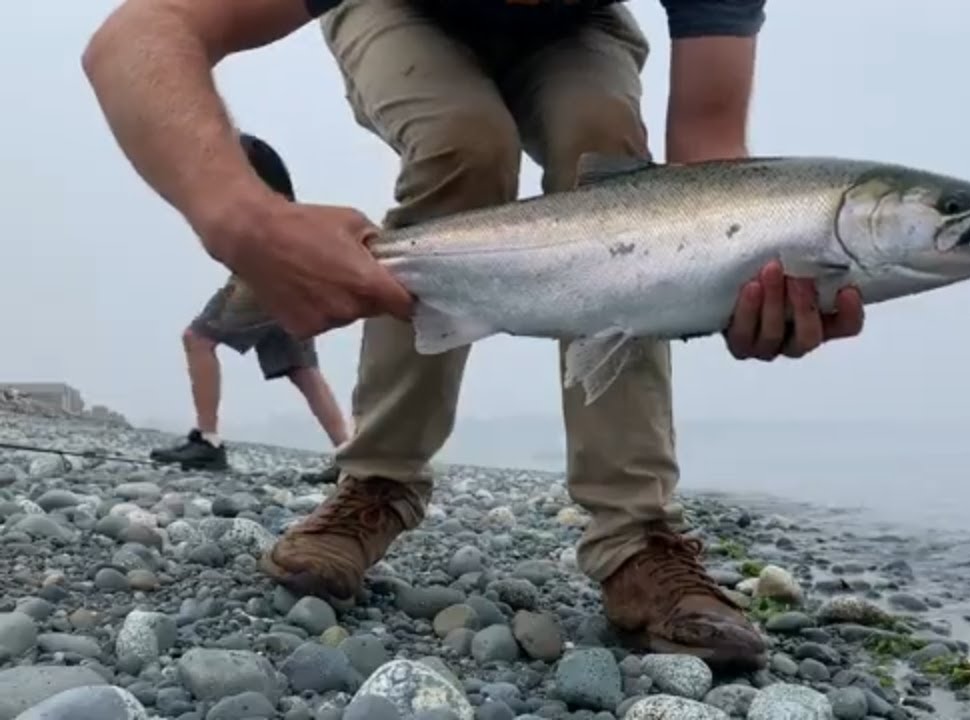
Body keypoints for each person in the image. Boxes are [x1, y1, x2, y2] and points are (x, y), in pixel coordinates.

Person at [82, 0, 865, 669]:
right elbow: (143, 31)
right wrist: (244, 220)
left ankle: (639, 535)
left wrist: (750, 281)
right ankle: (377, 483)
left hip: (580, 29)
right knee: (465, 145)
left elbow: (709, 177)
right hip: (403, 10)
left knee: (609, 149)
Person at [149, 132, 350, 478]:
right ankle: (351, 456)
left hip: (262, 271)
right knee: (300, 367)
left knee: (198, 340)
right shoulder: (251, 158)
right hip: (289, 269)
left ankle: (207, 442)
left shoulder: (235, 156)